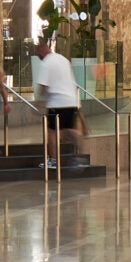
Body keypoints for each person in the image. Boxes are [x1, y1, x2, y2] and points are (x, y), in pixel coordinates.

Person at [33, 36, 83, 172]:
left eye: (38, 52)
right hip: (71, 101)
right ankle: (78, 156)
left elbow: (43, 86)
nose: (38, 56)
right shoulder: (63, 60)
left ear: (42, 50)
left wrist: (38, 104)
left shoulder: (46, 63)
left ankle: (54, 160)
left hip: (57, 102)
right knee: (70, 130)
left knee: (53, 132)